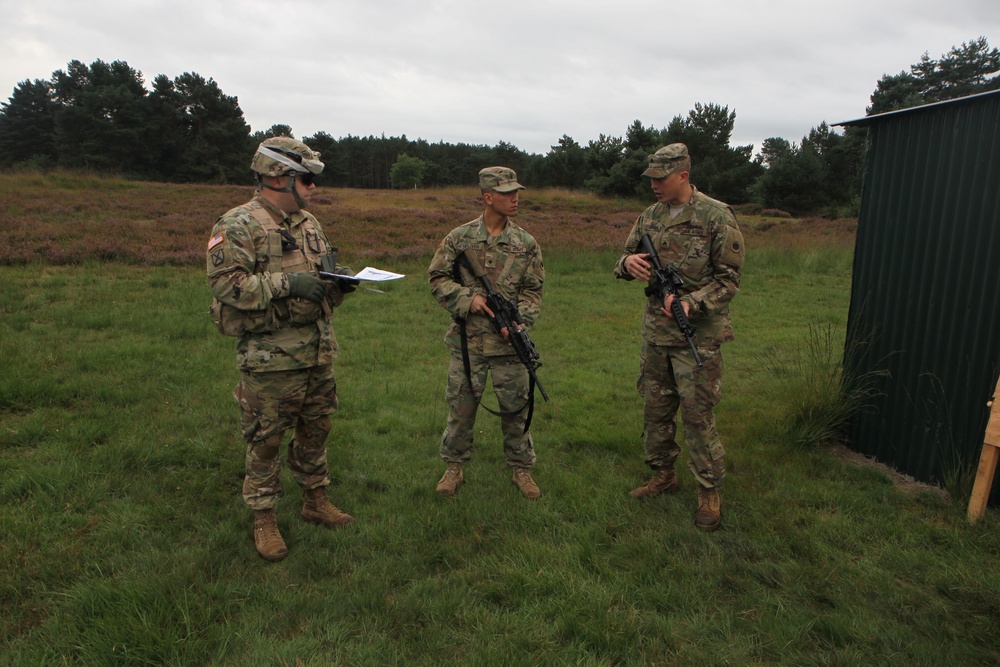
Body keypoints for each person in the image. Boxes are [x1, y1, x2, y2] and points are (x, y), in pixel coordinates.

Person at [207, 137, 358, 561]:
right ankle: (264, 518)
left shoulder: (309, 223)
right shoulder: (237, 225)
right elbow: (226, 284)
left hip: (316, 351)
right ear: (277, 176)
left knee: (316, 429)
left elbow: (320, 278)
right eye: (306, 179)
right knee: (266, 438)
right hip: (270, 359)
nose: (313, 188)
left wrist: (340, 282)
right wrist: (288, 283)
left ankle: (315, 501)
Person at [614, 143, 745, 531]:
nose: (654, 185)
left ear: (683, 175)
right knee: (655, 409)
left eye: (661, 178)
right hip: (656, 334)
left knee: (697, 415)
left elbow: (729, 281)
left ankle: (708, 491)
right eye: (651, 178)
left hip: (697, 338)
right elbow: (623, 259)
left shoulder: (715, 215)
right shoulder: (649, 216)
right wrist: (627, 263)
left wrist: (692, 303)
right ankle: (663, 474)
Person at [428, 166, 545, 500]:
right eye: (507, 193)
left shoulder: (526, 243)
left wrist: (520, 322)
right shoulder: (459, 238)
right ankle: (453, 467)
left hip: (510, 346)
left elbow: (534, 291)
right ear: (487, 197)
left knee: (515, 409)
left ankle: (521, 468)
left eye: (516, 192)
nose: (515, 198)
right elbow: (437, 278)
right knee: (461, 409)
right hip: (469, 344)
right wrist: (469, 298)